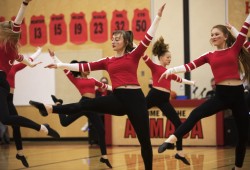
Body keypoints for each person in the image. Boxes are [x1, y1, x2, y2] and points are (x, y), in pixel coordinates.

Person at [29, 4, 166, 170]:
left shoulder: (133, 55)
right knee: (86, 104)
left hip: (136, 100)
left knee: (145, 141)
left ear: (126, 42)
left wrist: (157, 17)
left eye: (117, 38)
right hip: (118, 99)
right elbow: (83, 67)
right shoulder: (107, 61)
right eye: (113, 38)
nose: (113, 41)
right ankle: (49, 108)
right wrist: (60, 65)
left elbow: (147, 38)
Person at [157, 14, 250, 170]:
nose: (213, 37)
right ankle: (170, 140)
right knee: (196, 114)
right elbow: (189, 66)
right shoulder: (209, 56)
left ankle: (238, 168)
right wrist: (171, 69)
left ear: (225, 37)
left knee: (243, 136)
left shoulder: (234, 49)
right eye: (212, 35)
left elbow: (245, 27)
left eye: (217, 34)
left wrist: (241, 22)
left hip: (238, 95)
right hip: (221, 95)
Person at [0, 0, 60, 167]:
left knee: (6, 119)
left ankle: (42, 128)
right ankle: (38, 133)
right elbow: (24, 59)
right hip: (3, 84)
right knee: (8, 119)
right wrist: (31, 63)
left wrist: (24, 4)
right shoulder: (11, 52)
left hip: (1, 83)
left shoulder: (8, 44)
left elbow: (17, 23)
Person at [49, 50, 113, 168]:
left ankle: (104, 157)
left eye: (88, 67)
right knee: (64, 122)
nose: (88, 69)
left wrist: (120, 88)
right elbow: (64, 68)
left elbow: (106, 87)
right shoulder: (76, 79)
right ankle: (58, 105)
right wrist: (54, 58)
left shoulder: (93, 80)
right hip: (83, 105)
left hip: (92, 106)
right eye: (85, 68)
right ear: (80, 70)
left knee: (101, 131)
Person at [142, 36, 195, 165]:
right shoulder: (155, 67)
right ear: (160, 58)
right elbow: (144, 57)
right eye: (167, 57)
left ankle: (179, 152)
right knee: (138, 110)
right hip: (154, 95)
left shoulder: (169, 72)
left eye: (170, 57)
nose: (169, 59)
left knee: (179, 124)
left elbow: (179, 79)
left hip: (164, 100)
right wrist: (133, 44)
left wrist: (190, 82)